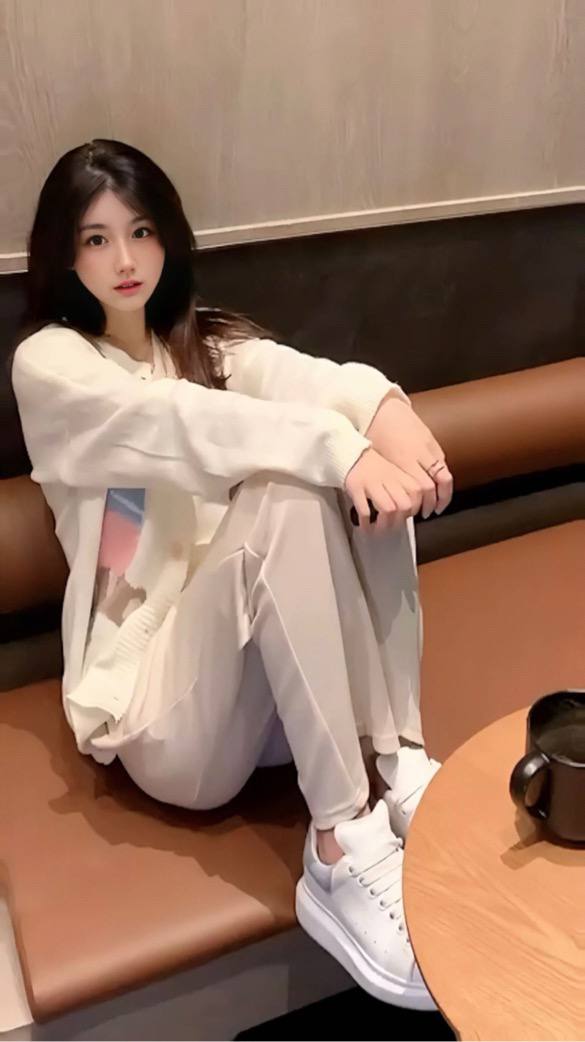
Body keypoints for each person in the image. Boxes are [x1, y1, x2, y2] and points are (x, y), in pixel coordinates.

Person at [12, 139, 453, 1010]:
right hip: (162, 715)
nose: (125, 258)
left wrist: (381, 410)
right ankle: (338, 844)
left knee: (341, 465)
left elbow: (302, 380)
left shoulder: (205, 338)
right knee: (294, 486)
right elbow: (171, 422)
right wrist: (338, 446)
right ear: (64, 254)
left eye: (141, 231)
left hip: (265, 701)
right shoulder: (54, 368)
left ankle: (394, 760)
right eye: (97, 239)